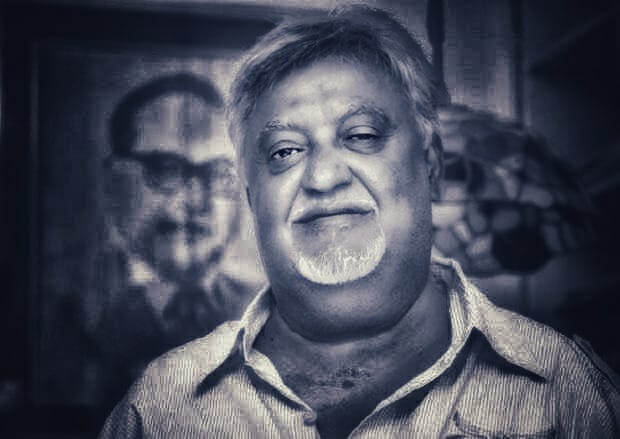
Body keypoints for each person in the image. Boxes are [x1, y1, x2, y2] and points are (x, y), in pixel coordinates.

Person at [100, 6, 620, 438]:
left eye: (362, 136)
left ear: (431, 165)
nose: (323, 177)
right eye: (285, 151)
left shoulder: (561, 387)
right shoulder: (164, 406)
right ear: (252, 197)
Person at [98, 73, 257, 407]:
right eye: (167, 169)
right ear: (115, 183)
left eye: (220, 173)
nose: (197, 202)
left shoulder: (269, 312)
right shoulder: (78, 320)